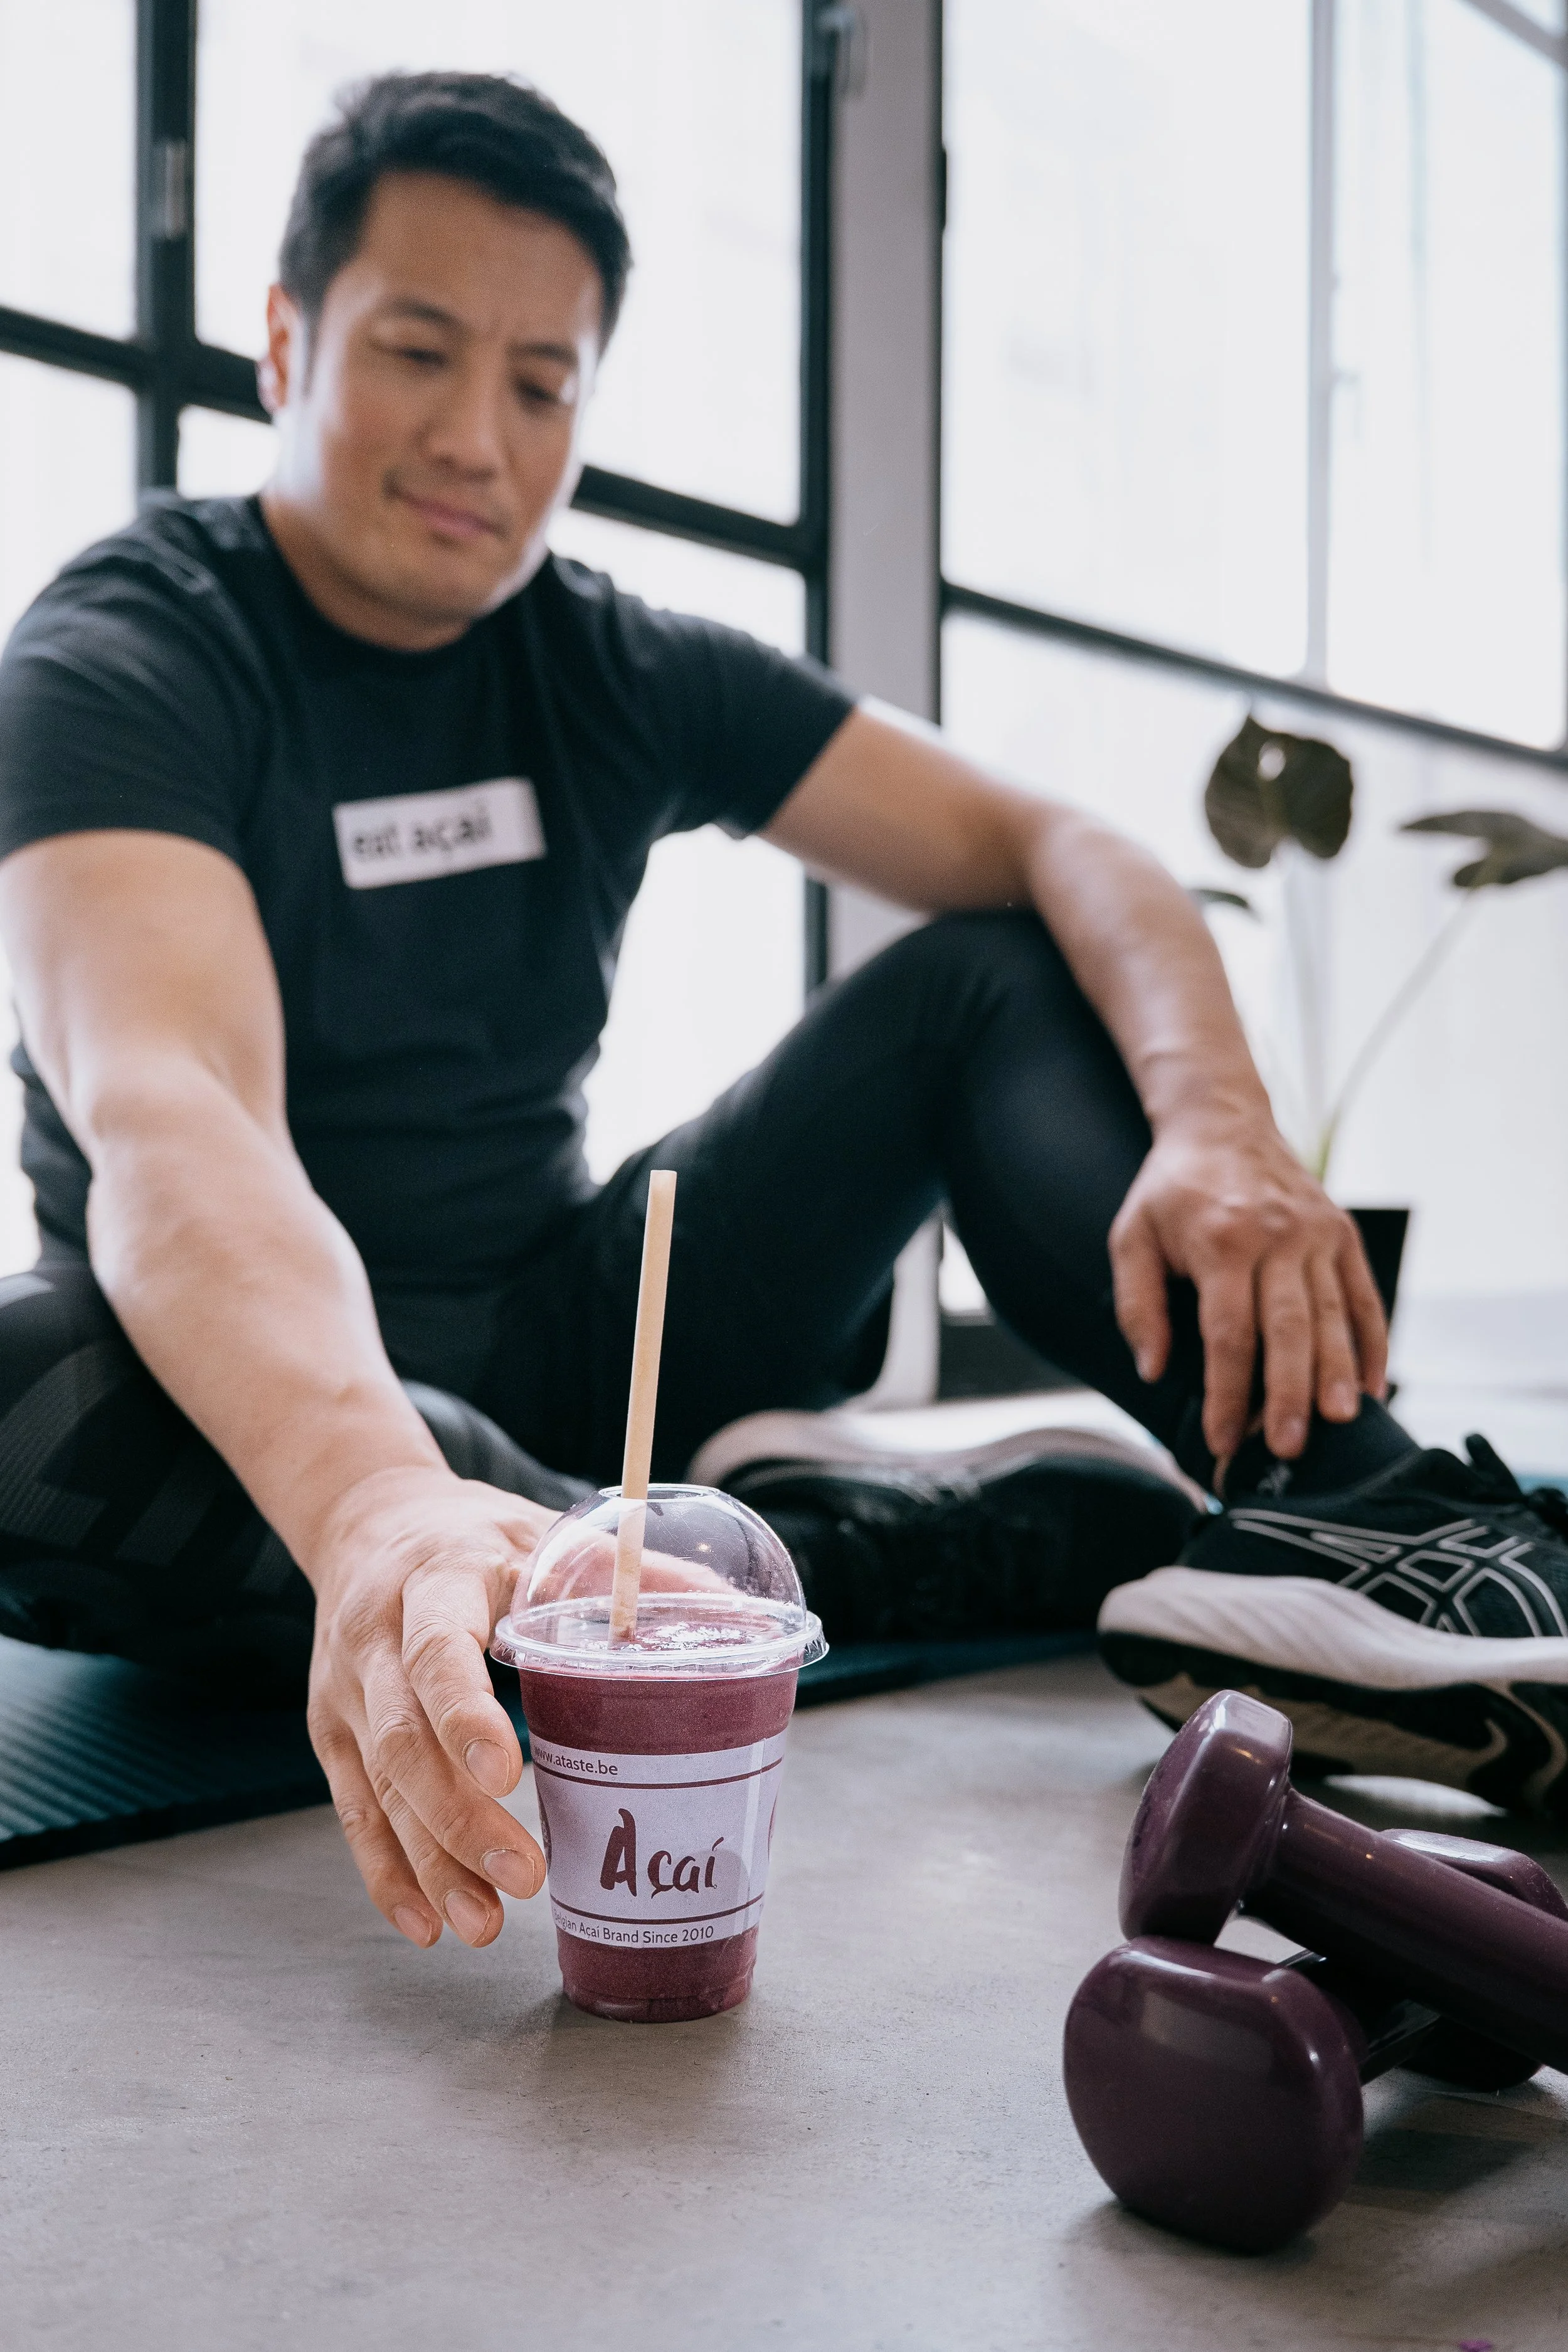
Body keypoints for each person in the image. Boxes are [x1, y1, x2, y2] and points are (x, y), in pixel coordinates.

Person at [0, 75, 1563, 1957]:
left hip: (576, 1336)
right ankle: (800, 1548)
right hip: (255, 1397)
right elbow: (174, 1113)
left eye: (541, 383)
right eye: (418, 351)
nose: (477, 438)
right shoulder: (132, 651)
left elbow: (1058, 838)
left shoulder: (605, 658)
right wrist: (370, 1503)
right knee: (20, 1397)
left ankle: (1379, 1525)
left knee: (985, 971)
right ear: (282, 341)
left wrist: (1222, 1125)